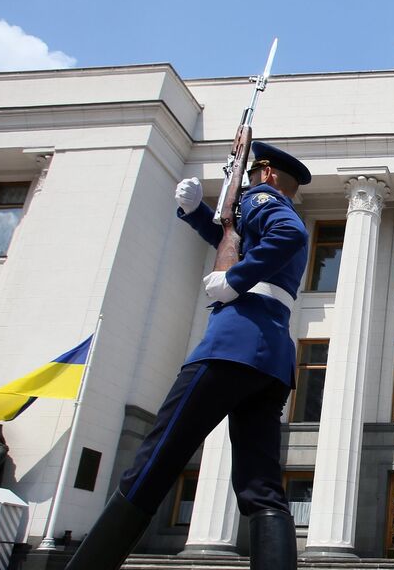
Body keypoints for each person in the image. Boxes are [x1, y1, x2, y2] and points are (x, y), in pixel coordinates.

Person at [65, 141, 310, 570]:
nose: (249, 182)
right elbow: (236, 239)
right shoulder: (270, 206)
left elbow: (283, 236)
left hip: (231, 347)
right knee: (261, 488)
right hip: (271, 360)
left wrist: (234, 279)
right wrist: (198, 212)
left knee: (155, 460)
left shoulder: (262, 197)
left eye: (252, 175)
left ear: (266, 174)